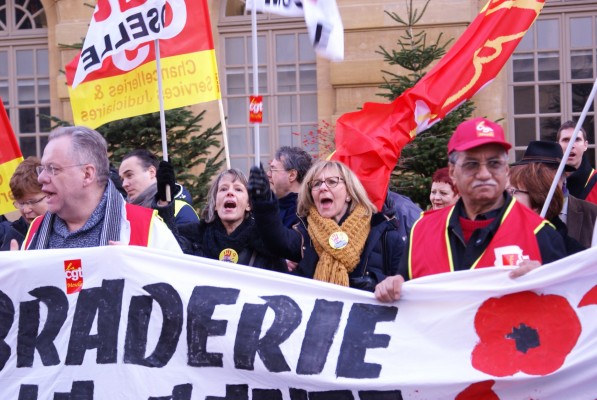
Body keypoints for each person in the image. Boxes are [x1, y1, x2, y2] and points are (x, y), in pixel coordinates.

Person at [375, 117, 567, 302]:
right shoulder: (421, 230)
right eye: (471, 164)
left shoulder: (541, 234)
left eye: (494, 163)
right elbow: (403, 287)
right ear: (452, 172)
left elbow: (567, 312)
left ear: (506, 171)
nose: (484, 174)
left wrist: (546, 285)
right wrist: (393, 285)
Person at [249, 159, 406, 292]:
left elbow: (404, 285)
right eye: (316, 184)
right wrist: (263, 202)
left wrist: (374, 283)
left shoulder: (385, 234)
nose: (323, 187)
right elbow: (276, 240)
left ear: (349, 194)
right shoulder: (305, 232)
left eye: (332, 181)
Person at [17, 126, 182, 252]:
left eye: (52, 168)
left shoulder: (146, 228)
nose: (41, 178)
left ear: (87, 174)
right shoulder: (35, 230)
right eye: (42, 169)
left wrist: (140, 270)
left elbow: (179, 291)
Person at [510, 140, 597, 249]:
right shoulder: (510, 217)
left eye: (544, 175)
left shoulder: (592, 214)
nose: (540, 184)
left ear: (563, 177)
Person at [119, 149, 199, 225]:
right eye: (122, 179)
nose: (124, 184)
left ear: (151, 172)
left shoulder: (181, 210)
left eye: (129, 175)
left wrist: (165, 211)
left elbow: (186, 239)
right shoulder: (123, 216)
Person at [0, 157, 48, 250]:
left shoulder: (68, 231)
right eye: (21, 203)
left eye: (32, 202)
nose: (26, 210)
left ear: (50, 193)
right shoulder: (14, 233)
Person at [267, 146, 313, 228]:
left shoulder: (306, 214)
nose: (268, 174)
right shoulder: (269, 207)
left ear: (292, 175)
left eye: (273, 170)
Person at [556, 120, 597, 204]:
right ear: (557, 146)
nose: (571, 145)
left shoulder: (595, 181)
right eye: (566, 140)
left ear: (585, 145)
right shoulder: (546, 183)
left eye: (577, 139)